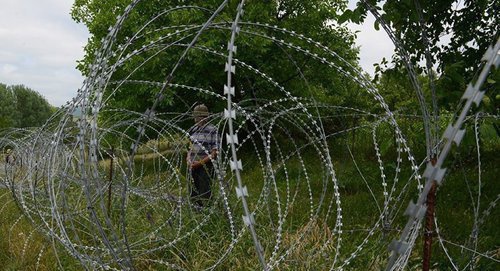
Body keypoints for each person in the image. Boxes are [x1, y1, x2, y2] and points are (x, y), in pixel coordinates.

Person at [186, 104, 218, 207]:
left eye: (202, 116)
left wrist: (200, 163)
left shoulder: (212, 130)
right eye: (197, 116)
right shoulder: (193, 130)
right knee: (193, 190)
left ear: (206, 117)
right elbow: (190, 148)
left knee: (205, 189)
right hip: (192, 165)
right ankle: (196, 210)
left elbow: (214, 153)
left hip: (206, 165)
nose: (199, 119)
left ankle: (208, 209)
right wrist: (188, 160)